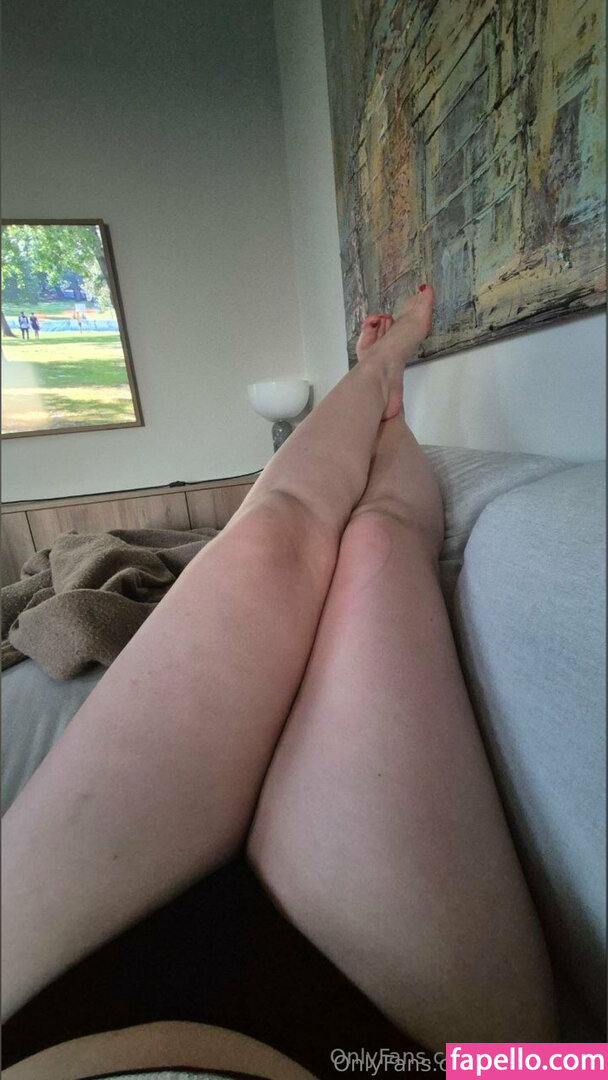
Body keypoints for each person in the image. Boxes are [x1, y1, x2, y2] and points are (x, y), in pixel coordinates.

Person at [1, 285, 558, 1076]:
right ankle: (388, 404)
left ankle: (377, 373)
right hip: (378, 1042)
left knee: (272, 530)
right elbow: (570, 1066)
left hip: (31, 1009)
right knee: (379, 541)